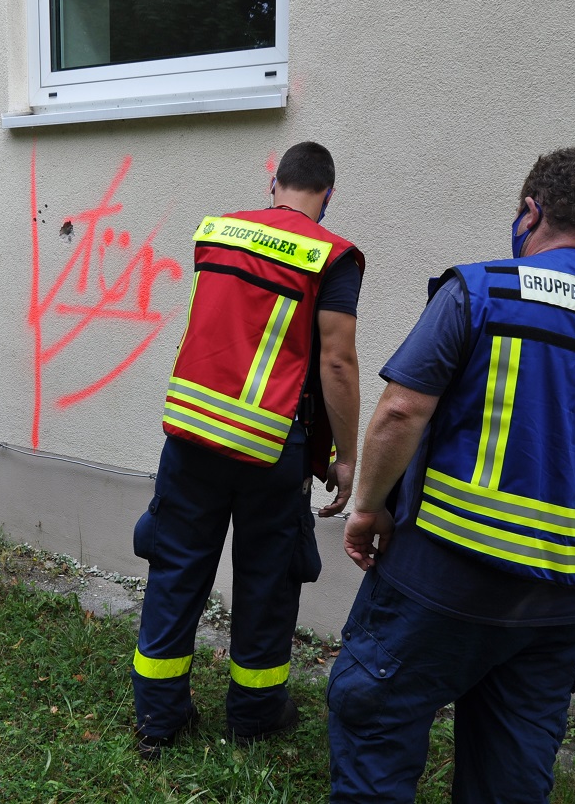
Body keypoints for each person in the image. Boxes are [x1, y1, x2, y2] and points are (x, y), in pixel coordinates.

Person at [327, 147, 575, 802]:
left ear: (530, 212)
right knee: (511, 767)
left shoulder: (482, 289)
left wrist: (369, 506)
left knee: (378, 721)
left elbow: (400, 409)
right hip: (564, 599)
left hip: (443, 576)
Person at [131, 141, 363, 758]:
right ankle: (255, 715)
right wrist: (346, 454)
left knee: (176, 569)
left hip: (192, 432)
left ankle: (158, 718)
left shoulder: (218, 232)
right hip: (268, 445)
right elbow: (337, 361)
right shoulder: (331, 257)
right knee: (266, 580)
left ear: (274, 184)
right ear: (327, 195)